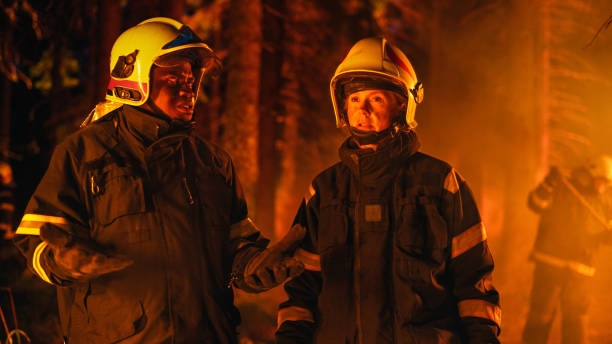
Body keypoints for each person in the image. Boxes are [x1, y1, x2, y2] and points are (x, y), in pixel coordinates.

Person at [14, 17, 304, 344]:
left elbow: (236, 249)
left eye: (192, 74)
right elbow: (35, 242)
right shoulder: (85, 153)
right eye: (174, 74)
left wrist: (257, 266)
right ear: (133, 77)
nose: (189, 84)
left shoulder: (213, 163)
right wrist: (65, 261)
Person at [275, 37, 501, 343]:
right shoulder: (324, 190)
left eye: (376, 99)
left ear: (402, 105)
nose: (362, 109)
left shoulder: (442, 184)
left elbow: (473, 284)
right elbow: (302, 289)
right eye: (354, 99)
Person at [522, 156, 612, 344]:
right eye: (602, 181)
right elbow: (535, 203)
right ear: (590, 175)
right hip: (550, 266)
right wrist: (549, 183)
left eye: (607, 183)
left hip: (580, 271)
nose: (603, 187)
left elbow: (604, 235)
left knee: (576, 324)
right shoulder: (562, 187)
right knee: (540, 319)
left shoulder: (603, 202)